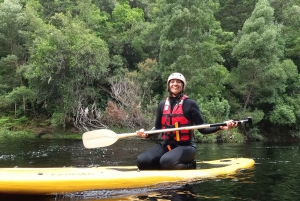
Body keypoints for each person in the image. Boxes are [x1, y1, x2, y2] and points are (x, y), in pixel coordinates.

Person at [136, 72, 238, 170]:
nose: (175, 84)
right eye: (172, 81)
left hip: (186, 147)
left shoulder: (190, 104)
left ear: (183, 86)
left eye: (178, 82)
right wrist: (146, 134)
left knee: (166, 162)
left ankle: (190, 165)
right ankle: (165, 166)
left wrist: (221, 126)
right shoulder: (162, 105)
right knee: (142, 161)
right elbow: (157, 128)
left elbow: (203, 129)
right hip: (167, 146)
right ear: (168, 85)